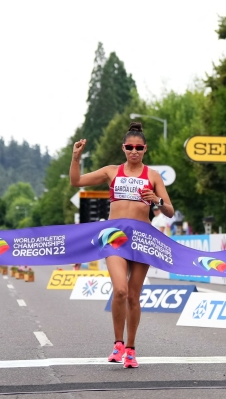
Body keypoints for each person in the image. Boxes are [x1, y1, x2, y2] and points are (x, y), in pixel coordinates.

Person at [69, 121, 174, 369]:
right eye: (129, 147)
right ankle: (118, 343)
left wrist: (157, 200)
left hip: (142, 238)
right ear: (123, 148)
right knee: (120, 291)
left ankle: (131, 348)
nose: (134, 151)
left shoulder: (153, 176)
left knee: (134, 296)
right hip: (115, 237)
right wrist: (75, 157)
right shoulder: (112, 172)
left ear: (145, 149)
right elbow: (76, 181)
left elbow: (169, 211)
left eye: (138, 147)